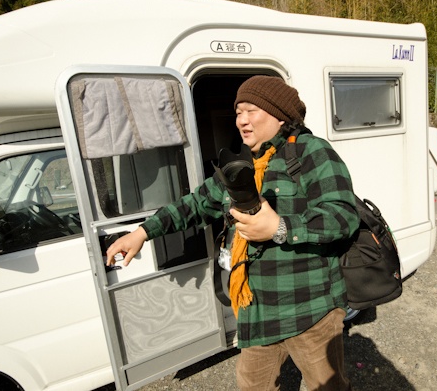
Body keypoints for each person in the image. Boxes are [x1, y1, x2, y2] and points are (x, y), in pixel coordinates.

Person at [104, 75, 358, 391]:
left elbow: (342, 216)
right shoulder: (240, 164)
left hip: (309, 309)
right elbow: (195, 204)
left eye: (251, 110)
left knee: (328, 387)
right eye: (238, 112)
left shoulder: (309, 152)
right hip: (257, 309)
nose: (241, 120)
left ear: (279, 115)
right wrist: (143, 232)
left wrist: (279, 227)